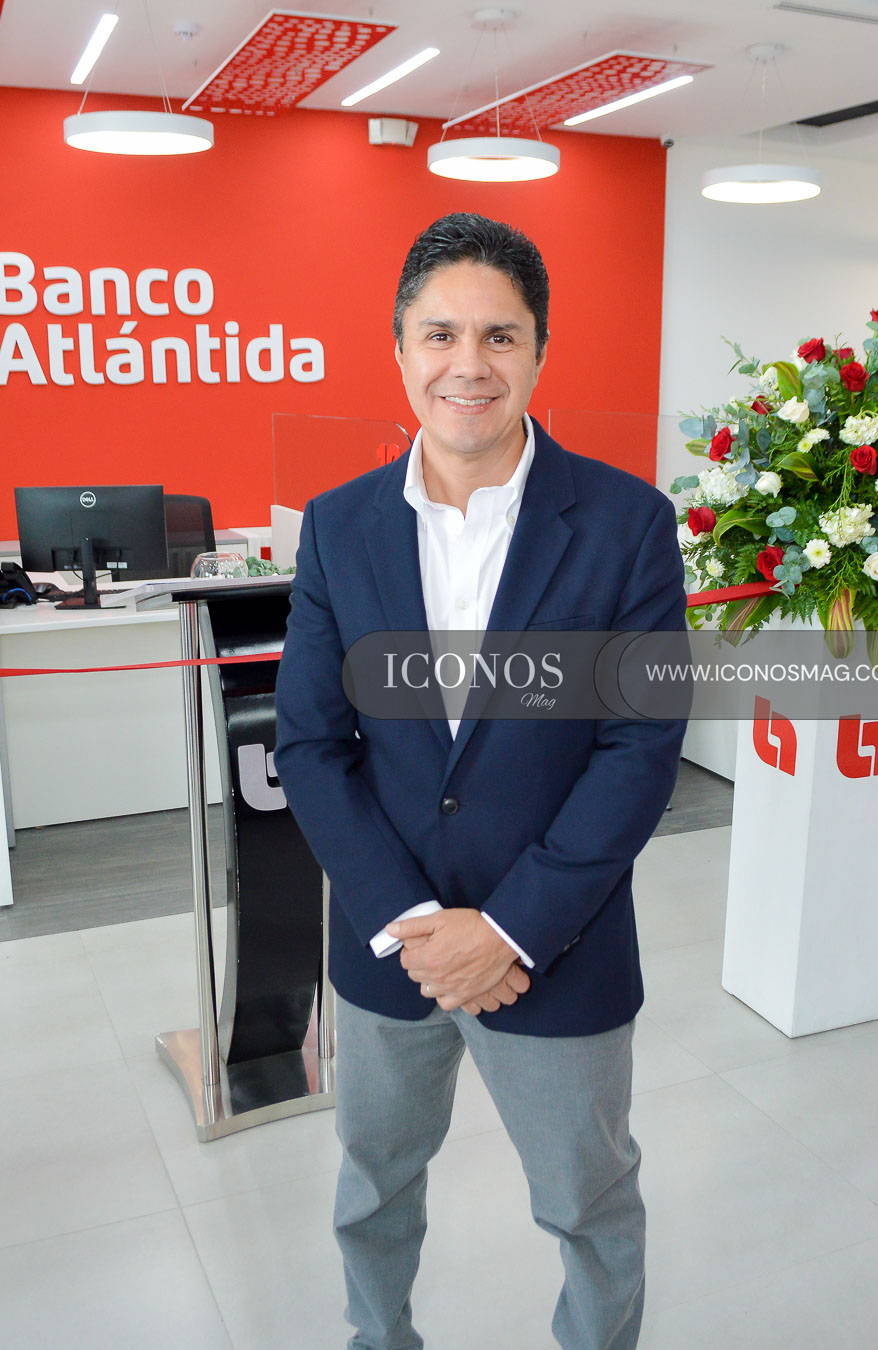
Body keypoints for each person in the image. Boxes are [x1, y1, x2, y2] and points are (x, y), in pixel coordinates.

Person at [274, 212, 687, 1350]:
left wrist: (505, 932)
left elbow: (640, 747)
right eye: (440, 334)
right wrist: (416, 925)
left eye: (500, 336)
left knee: (588, 1205)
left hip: (556, 947)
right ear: (399, 350)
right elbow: (310, 744)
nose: (469, 364)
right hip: (390, 947)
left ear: (539, 352)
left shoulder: (628, 523)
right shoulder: (338, 527)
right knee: (373, 1185)